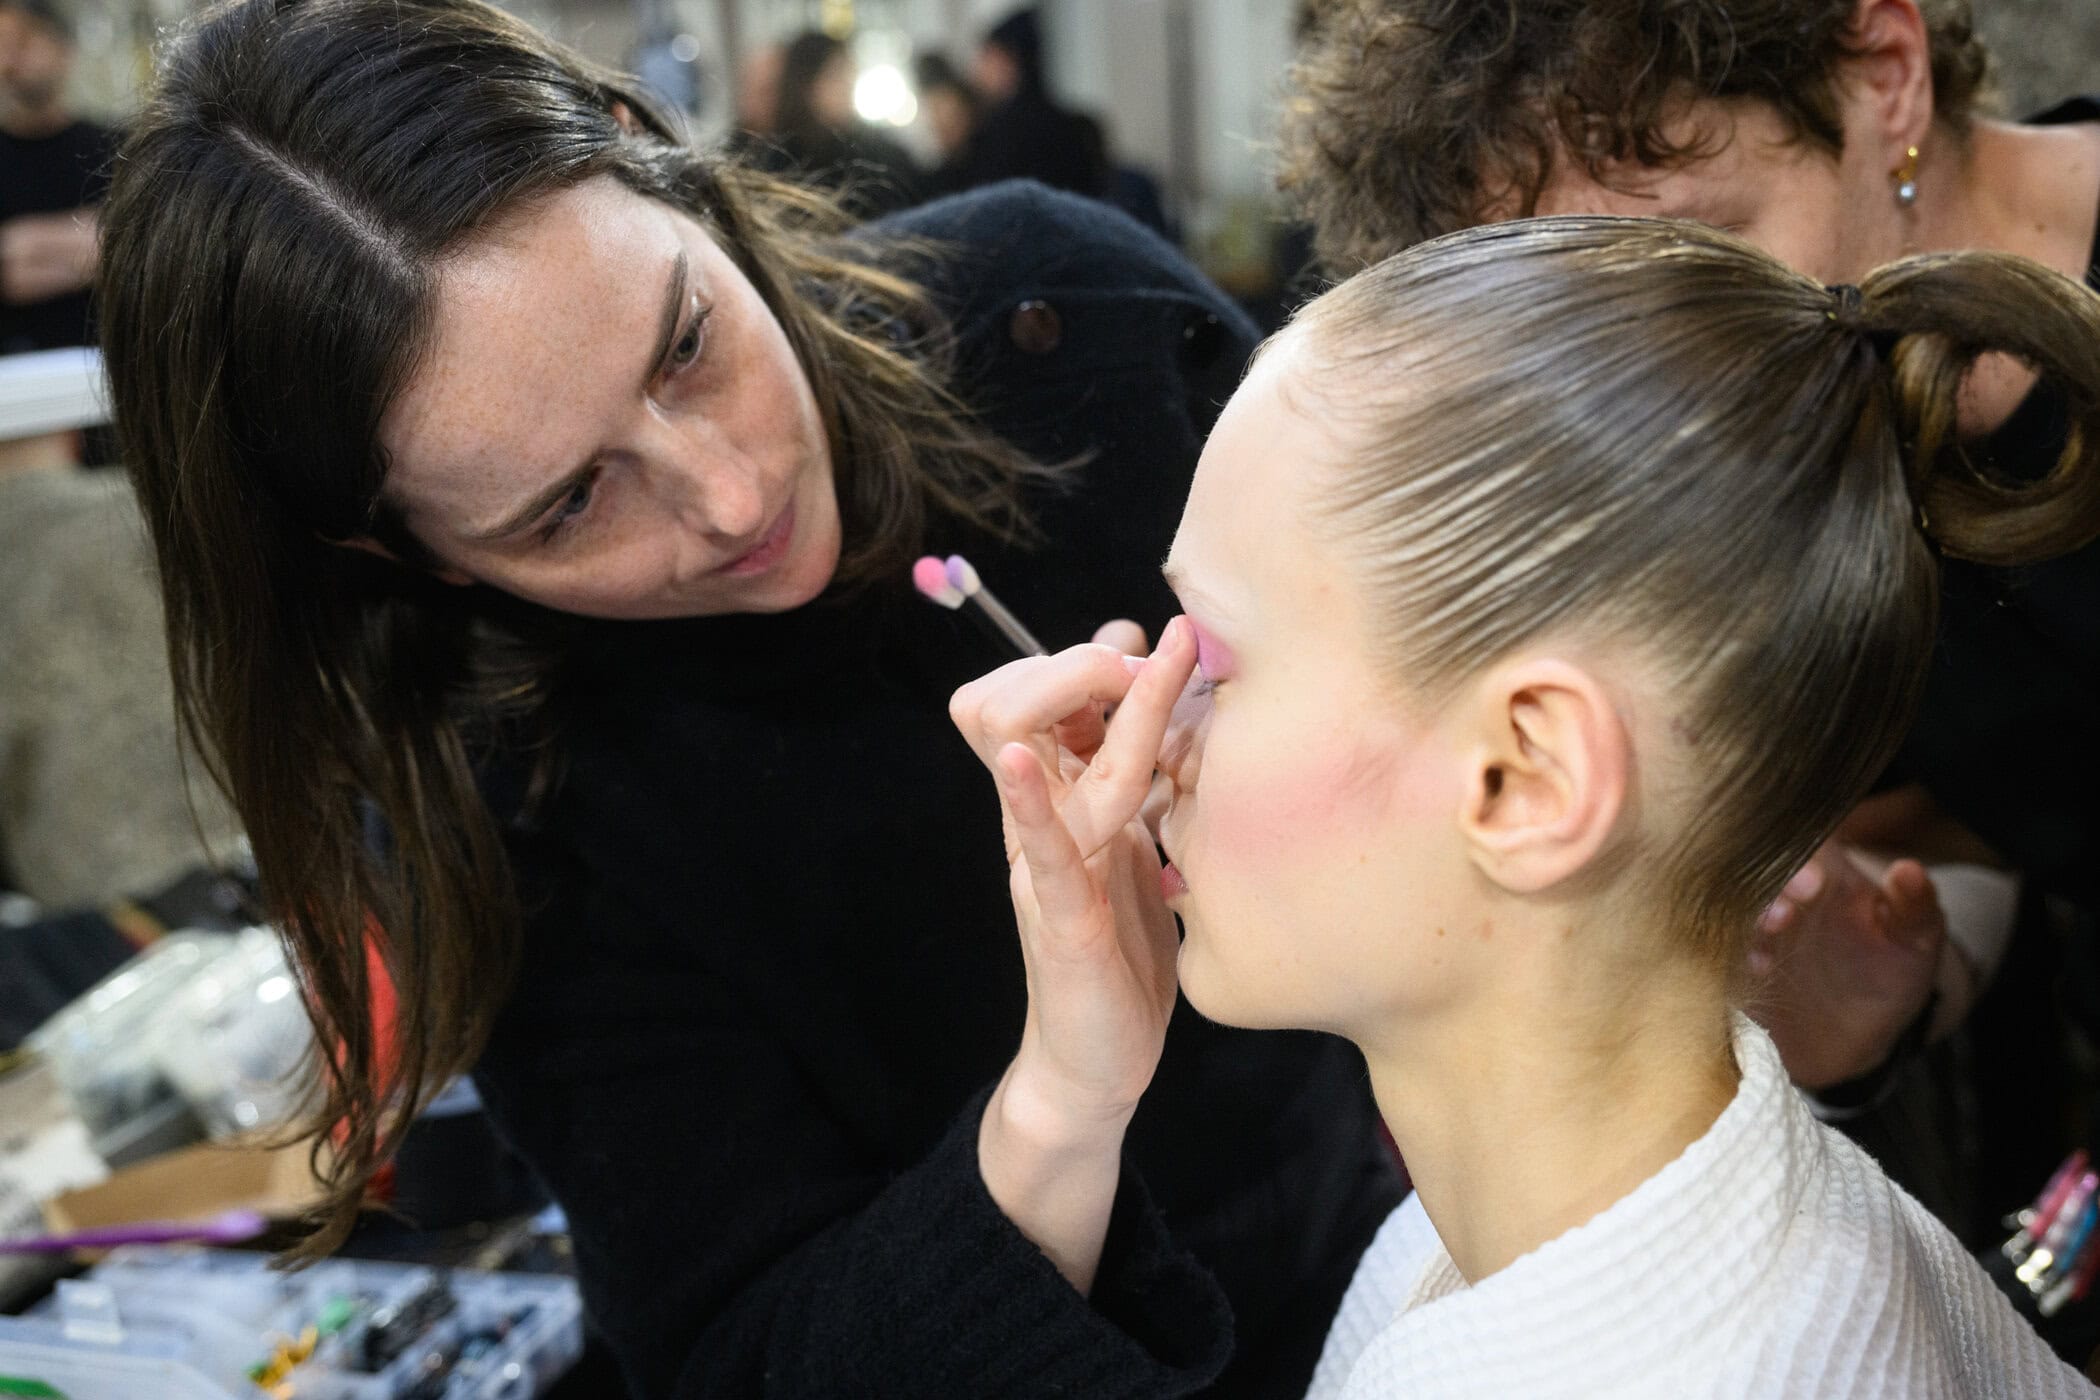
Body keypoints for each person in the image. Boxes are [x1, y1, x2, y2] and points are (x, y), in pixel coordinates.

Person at [94, 0, 1402, 1395]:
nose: (731, 496)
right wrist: (1064, 1104)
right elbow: (747, 1357)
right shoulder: (518, 826)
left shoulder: (1065, 316)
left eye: (685, 346)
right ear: (397, 551)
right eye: (569, 504)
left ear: (641, 146)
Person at [950, 214, 2100, 1397]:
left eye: (1216, 660)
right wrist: (1063, 1101)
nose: (1144, 730)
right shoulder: (1483, 1242)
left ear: (1525, 779)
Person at [1279, 0, 2100, 1225]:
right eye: (1595, 334)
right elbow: (1973, 815)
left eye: (1716, 251)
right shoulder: (1767, 457)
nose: (1675, 381)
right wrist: (1863, 998)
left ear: (1885, 72)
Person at [0, 0, 114, 357]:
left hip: (100, 358)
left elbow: (130, 251)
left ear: (63, 49)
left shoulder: (113, 147)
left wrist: (26, 246)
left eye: (26, 41)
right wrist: (90, 242)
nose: (12, 60)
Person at [741, 30, 924, 215]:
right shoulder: (778, 161)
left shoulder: (877, 154)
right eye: (836, 75)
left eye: (849, 72)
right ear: (806, 85)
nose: (847, 85)